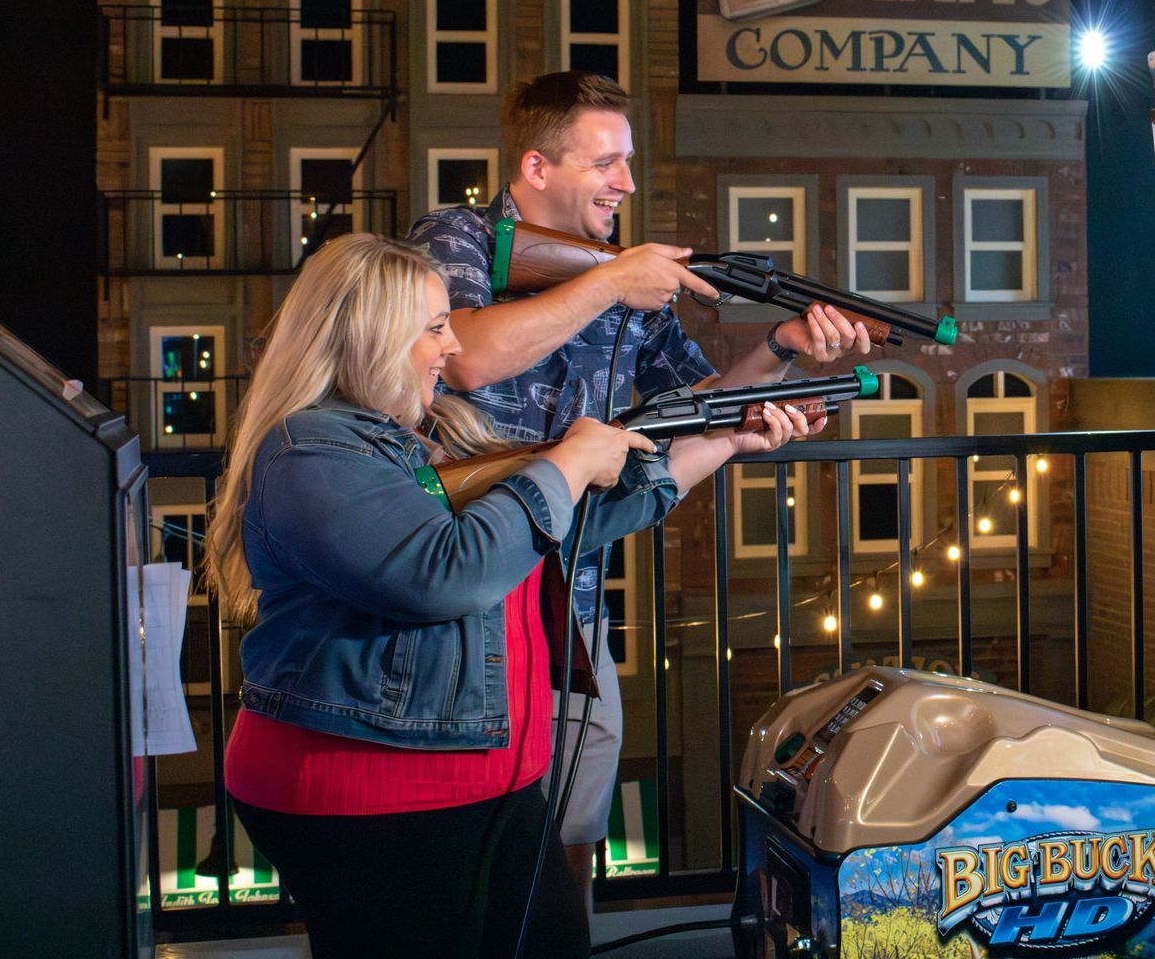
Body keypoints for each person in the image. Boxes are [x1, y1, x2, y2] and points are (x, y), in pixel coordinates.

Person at [206, 234, 808, 956]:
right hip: (372, 792)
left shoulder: (421, 437)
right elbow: (444, 572)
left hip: (480, 782)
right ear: (369, 339)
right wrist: (564, 463)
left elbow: (575, 519)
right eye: (431, 329)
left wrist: (726, 444)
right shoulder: (311, 450)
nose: (449, 344)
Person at [408, 70, 872, 909]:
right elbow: (466, 356)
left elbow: (689, 412)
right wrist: (609, 283)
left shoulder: (631, 281)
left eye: (628, 163)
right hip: (461, 600)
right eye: (606, 163)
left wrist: (781, 349)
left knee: (575, 836)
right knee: (473, 851)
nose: (627, 183)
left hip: (573, 600)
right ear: (536, 168)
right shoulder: (458, 237)